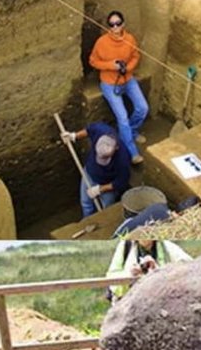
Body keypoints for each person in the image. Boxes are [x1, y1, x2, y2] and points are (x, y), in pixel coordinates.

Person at [88, 12, 149, 164]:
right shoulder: (102, 42)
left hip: (127, 79)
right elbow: (93, 61)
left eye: (118, 23)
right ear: (108, 26)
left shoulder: (129, 39)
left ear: (123, 24)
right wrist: (111, 65)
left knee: (143, 108)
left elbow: (135, 56)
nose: (115, 27)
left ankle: (132, 131)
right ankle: (131, 151)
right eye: (111, 24)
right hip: (109, 83)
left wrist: (128, 68)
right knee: (122, 118)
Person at [64, 122, 131, 216]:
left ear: (116, 148)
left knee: (107, 209)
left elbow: (121, 182)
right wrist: (74, 136)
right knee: (86, 203)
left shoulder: (123, 159)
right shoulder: (101, 130)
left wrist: (100, 189)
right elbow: (89, 130)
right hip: (89, 173)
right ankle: (87, 221)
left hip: (107, 182)